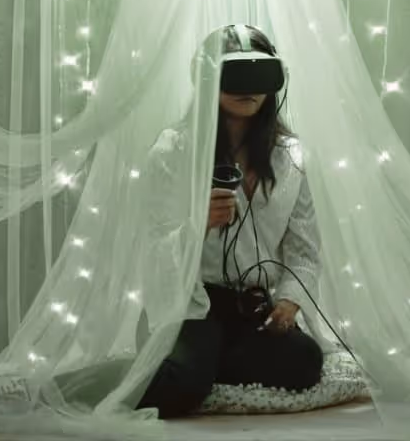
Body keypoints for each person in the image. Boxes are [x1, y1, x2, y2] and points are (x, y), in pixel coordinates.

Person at [136, 26, 324, 418]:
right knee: (179, 392)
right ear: (207, 79)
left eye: (259, 75)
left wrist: (289, 302)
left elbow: (304, 248)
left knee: (305, 362)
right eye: (234, 74)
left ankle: (208, 362)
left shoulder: (290, 157)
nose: (248, 88)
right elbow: (153, 250)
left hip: (252, 308)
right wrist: (197, 225)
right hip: (194, 303)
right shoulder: (174, 150)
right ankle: (187, 364)